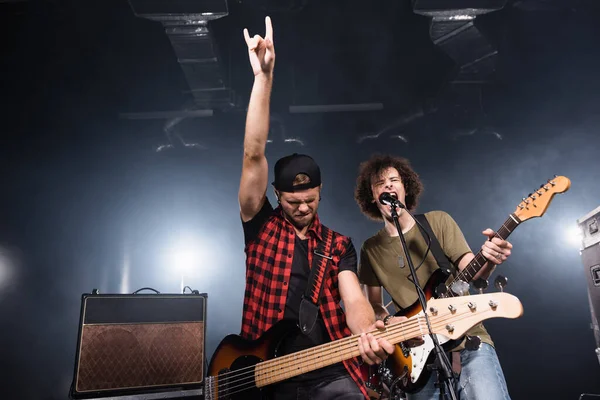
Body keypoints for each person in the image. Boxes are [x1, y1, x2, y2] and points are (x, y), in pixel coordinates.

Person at [238, 17, 394, 400]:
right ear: (276, 195)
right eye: (293, 201)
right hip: (266, 374)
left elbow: (354, 300)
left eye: (311, 198)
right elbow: (253, 153)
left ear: (321, 192)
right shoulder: (260, 226)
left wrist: (367, 330)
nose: (304, 206)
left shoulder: (338, 244)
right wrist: (264, 78)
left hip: (328, 373)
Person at [354, 154, 513, 400]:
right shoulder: (370, 249)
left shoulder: (437, 222)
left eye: (394, 180)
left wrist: (489, 258)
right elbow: (373, 303)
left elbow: (470, 269)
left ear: (405, 188)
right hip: (417, 357)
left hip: (468, 341)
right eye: (379, 183)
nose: (388, 185)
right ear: (372, 197)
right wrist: (389, 323)